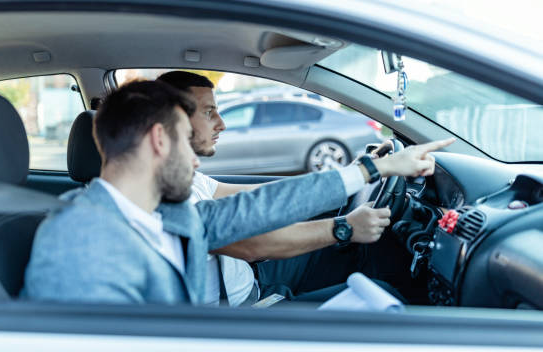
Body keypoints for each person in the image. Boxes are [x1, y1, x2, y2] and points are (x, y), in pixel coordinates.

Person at [22, 80, 453, 305]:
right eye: (184, 143)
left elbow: (261, 205)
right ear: (158, 141)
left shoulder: (167, 215)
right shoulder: (77, 238)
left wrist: (372, 168)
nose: (195, 161)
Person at [157, 71, 406, 306]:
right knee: (385, 295)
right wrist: (345, 228)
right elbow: (253, 246)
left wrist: (345, 177)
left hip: (253, 278)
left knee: (349, 256)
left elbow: (262, 197)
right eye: (209, 112)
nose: (221, 124)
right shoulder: (166, 199)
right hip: (246, 312)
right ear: (173, 121)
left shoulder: (189, 179)